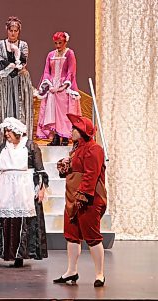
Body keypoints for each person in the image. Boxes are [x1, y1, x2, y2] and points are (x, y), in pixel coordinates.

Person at [0, 117, 48, 267]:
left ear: (17, 132)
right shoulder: (3, 147)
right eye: (5, 131)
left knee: (22, 222)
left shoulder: (31, 146)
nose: (6, 134)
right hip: (4, 186)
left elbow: (40, 170)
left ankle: (19, 256)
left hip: (23, 186)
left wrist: (41, 188)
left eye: (8, 131)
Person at [53, 114, 107, 287]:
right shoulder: (76, 148)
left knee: (92, 236)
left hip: (88, 199)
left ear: (83, 131)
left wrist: (82, 196)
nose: (71, 131)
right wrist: (65, 164)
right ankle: (71, 271)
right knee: (72, 235)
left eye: (75, 128)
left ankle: (99, 274)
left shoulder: (94, 148)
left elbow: (91, 175)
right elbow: (74, 171)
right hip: (72, 197)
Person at [0, 16, 34, 145]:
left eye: (16, 30)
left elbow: (23, 61)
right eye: (11, 30)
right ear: (7, 30)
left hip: (20, 79)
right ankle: (4, 137)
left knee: (21, 105)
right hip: (5, 79)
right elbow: (0, 60)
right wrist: (12, 65)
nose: (13, 33)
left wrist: (17, 61)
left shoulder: (23, 45)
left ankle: (22, 136)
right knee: (5, 105)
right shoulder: (0, 44)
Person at [36, 31, 81, 146]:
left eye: (60, 43)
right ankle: (55, 137)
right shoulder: (51, 55)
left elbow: (71, 71)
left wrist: (63, 87)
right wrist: (49, 85)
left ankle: (64, 137)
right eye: (56, 43)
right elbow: (46, 71)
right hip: (52, 86)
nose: (58, 46)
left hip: (64, 87)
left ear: (65, 42)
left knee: (64, 113)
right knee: (52, 113)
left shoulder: (69, 53)